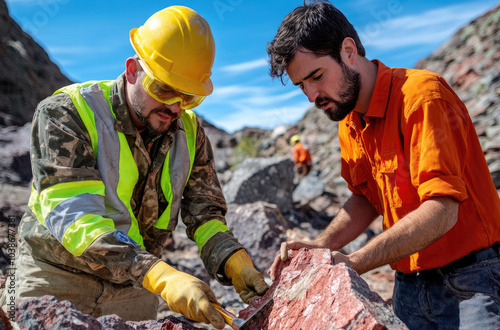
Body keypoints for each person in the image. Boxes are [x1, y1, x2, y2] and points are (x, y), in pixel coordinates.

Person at [4, 6, 268, 329]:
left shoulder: (192, 134)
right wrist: (161, 277)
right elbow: (77, 222)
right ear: (132, 70)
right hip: (55, 279)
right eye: (164, 88)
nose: (174, 106)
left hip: (132, 291)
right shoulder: (66, 114)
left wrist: (232, 259)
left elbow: (205, 216)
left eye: (187, 96)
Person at [266, 1, 500, 328]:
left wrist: (356, 261)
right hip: (408, 285)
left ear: (348, 50)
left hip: (472, 280)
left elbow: (443, 208)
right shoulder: (348, 121)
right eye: (301, 85)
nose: (310, 95)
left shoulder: (422, 97)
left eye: (316, 76)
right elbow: (365, 198)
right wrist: (320, 246)